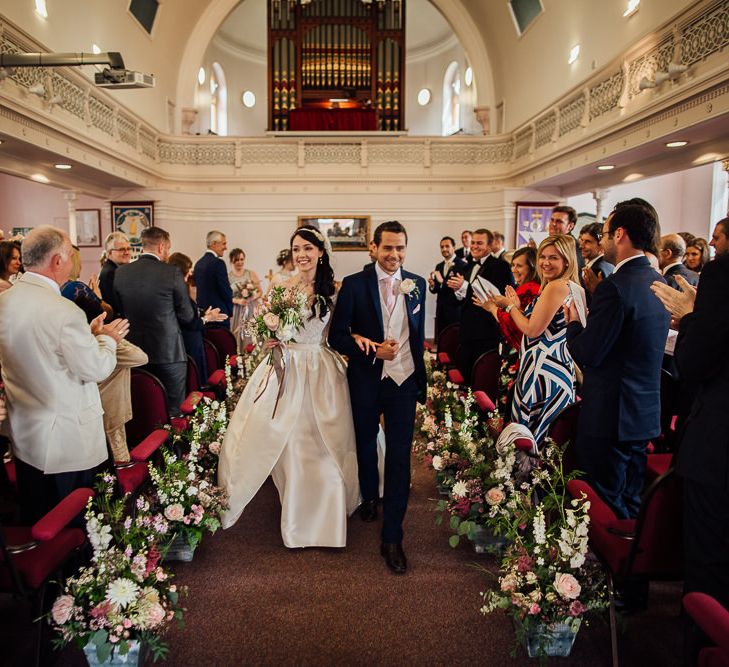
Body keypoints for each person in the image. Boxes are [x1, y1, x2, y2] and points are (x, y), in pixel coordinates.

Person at [219, 226, 359, 549]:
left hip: (322, 371)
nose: (302, 255)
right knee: (291, 442)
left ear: (321, 252)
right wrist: (270, 338)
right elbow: (268, 327)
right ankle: (295, 514)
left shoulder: (335, 290)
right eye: (296, 249)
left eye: (308, 248)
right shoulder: (281, 287)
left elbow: (341, 333)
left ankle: (326, 516)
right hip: (287, 367)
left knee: (324, 444)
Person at [0, 226, 128, 523]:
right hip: (66, 441)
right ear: (57, 261)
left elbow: (43, 351)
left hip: (26, 433)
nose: (71, 262)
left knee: (38, 515)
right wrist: (107, 339)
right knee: (73, 525)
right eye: (70, 255)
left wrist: (88, 335)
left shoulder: (5, 301)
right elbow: (95, 367)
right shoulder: (63, 311)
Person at [329, 220, 426, 575]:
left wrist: (419, 379)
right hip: (367, 379)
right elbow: (337, 337)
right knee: (366, 443)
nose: (394, 255)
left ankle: (392, 537)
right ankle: (369, 494)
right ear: (373, 248)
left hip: (404, 381)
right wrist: (370, 350)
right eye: (387, 248)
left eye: (400, 248)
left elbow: (415, 336)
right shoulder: (354, 286)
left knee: (400, 458)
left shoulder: (418, 285)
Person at [566, 204, 670, 519]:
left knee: (603, 504)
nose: (603, 241)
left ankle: (608, 567)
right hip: (642, 413)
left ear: (620, 235)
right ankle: (628, 561)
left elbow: (589, 353)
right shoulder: (657, 281)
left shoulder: (615, 287)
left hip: (610, 415)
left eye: (607, 233)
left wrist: (574, 323)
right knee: (632, 501)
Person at [653, 230, 729, 616]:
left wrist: (691, 318)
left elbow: (695, 363)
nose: (715, 244)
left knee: (710, 565)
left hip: (720, 442)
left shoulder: (722, 274)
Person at [494, 236, 579, 444]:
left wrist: (509, 307)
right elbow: (543, 327)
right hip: (548, 368)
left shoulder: (556, 286)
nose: (545, 262)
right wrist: (519, 309)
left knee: (530, 442)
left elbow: (532, 330)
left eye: (553, 257)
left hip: (543, 372)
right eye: (542, 256)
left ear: (567, 260)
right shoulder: (566, 285)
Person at [114, 226, 196, 416]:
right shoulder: (172, 273)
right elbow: (187, 316)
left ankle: (146, 445)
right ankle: (174, 445)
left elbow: (121, 312)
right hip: (169, 353)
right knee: (174, 410)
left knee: (143, 409)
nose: (168, 253)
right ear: (161, 247)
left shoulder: (121, 273)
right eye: (168, 248)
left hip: (135, 353)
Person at [474, 247, 540, 413]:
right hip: (516, 351)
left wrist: (492, 308)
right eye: (513, 265)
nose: (514, 270)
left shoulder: (530, 289)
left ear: (532, 267)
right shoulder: (525, 287)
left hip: (517, 353)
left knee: (509, 400)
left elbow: (513, 323)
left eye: (519, 266)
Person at [448, 228, 514, 384]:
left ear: (490, 246)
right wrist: (458, 290)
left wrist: (465, 286)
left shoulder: (501, 266)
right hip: (467, 331)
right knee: (466, 375)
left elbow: (498, 296)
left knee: (483, 378)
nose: (474, 246)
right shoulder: (468, 266)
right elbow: (463, 300)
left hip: (487, 331)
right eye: (473, 243)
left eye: (479, 243)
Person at [168, 252, 228, 382]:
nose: (190, 274)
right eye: (188, 270)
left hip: (189, 340)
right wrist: (207, 319)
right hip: (190, 340)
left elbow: (188, 312)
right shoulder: (179, 291)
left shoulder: (176, 289)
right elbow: (189, 321)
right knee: (196, 378)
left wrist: (203, 313)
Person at [427, 236, 467, 340]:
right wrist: (432, 285)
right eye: (442, 247)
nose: (444, 249)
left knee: (453, 341)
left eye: (447, 246)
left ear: (454, 247)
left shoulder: (462, 265)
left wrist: (442, 281)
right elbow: (437, 289)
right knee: (441, 339)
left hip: (455, 310)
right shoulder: (439, 266)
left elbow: (460, 288)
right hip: (440, 310)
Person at [60, 245, 113, 321]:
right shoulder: (76, 287)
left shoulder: (53, 285)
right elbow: (106, 315)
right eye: (79, 262)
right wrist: (98, 297)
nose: (81, 266)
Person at [194, 230, 233, 328]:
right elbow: (225, 290)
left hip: (204, 315)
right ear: (214, 244)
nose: (226, 247)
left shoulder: (198, 263)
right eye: (224, 244)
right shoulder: (218, 263)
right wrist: (230, 311)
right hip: (220, 315)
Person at [228, 248, 261, 345]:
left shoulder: (251, 273)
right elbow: (226, 296)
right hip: (236, 310)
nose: (239, 262)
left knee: (251, 334)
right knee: (236, 335)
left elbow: (260, 291)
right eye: (237, 260)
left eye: (242, 259)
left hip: (251, 308)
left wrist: (252, 297)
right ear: (232, 261)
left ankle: (252, 357)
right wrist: (238, 301)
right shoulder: (228, 277)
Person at [578, 222, 614, 302]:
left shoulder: (597, 270)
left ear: (600, 244)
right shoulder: (607, 263)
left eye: (587, 242)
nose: (581, 246)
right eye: (582, 240)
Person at [99, 231, 132, 317]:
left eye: (128, 249)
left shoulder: (115, 269)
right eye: (122, 249)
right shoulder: (110, 273)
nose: (127, 252)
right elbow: (115, 305)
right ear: (109, 253)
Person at [549, 205, 584, 271]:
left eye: (559, 221)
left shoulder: (574, 246)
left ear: (570, 226)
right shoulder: (554, 243)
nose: (553, 224)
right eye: (552, 220)